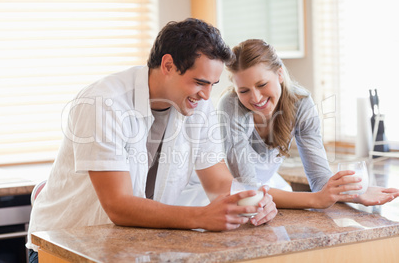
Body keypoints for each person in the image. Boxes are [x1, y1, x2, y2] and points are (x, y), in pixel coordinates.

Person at [26, 20, 277, 262]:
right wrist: (201, 216)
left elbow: (219, 182)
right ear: (168, 65)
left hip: (132, 247)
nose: (206, 95)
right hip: (65, 249)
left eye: (212, 85)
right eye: (200, 82)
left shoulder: (198, 106)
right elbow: (118, 204)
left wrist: (253, 202)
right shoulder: (104, 102)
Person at [216, 38, 399, 209]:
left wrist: (355, 193)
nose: (255, 97)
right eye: (244, 90)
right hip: (222, 195)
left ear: (279, 73)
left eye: (262, 84)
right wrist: (316, 200)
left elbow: (320, 180)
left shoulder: (300, 103)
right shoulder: (231, 107)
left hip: (265, 191)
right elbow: (248, 189)